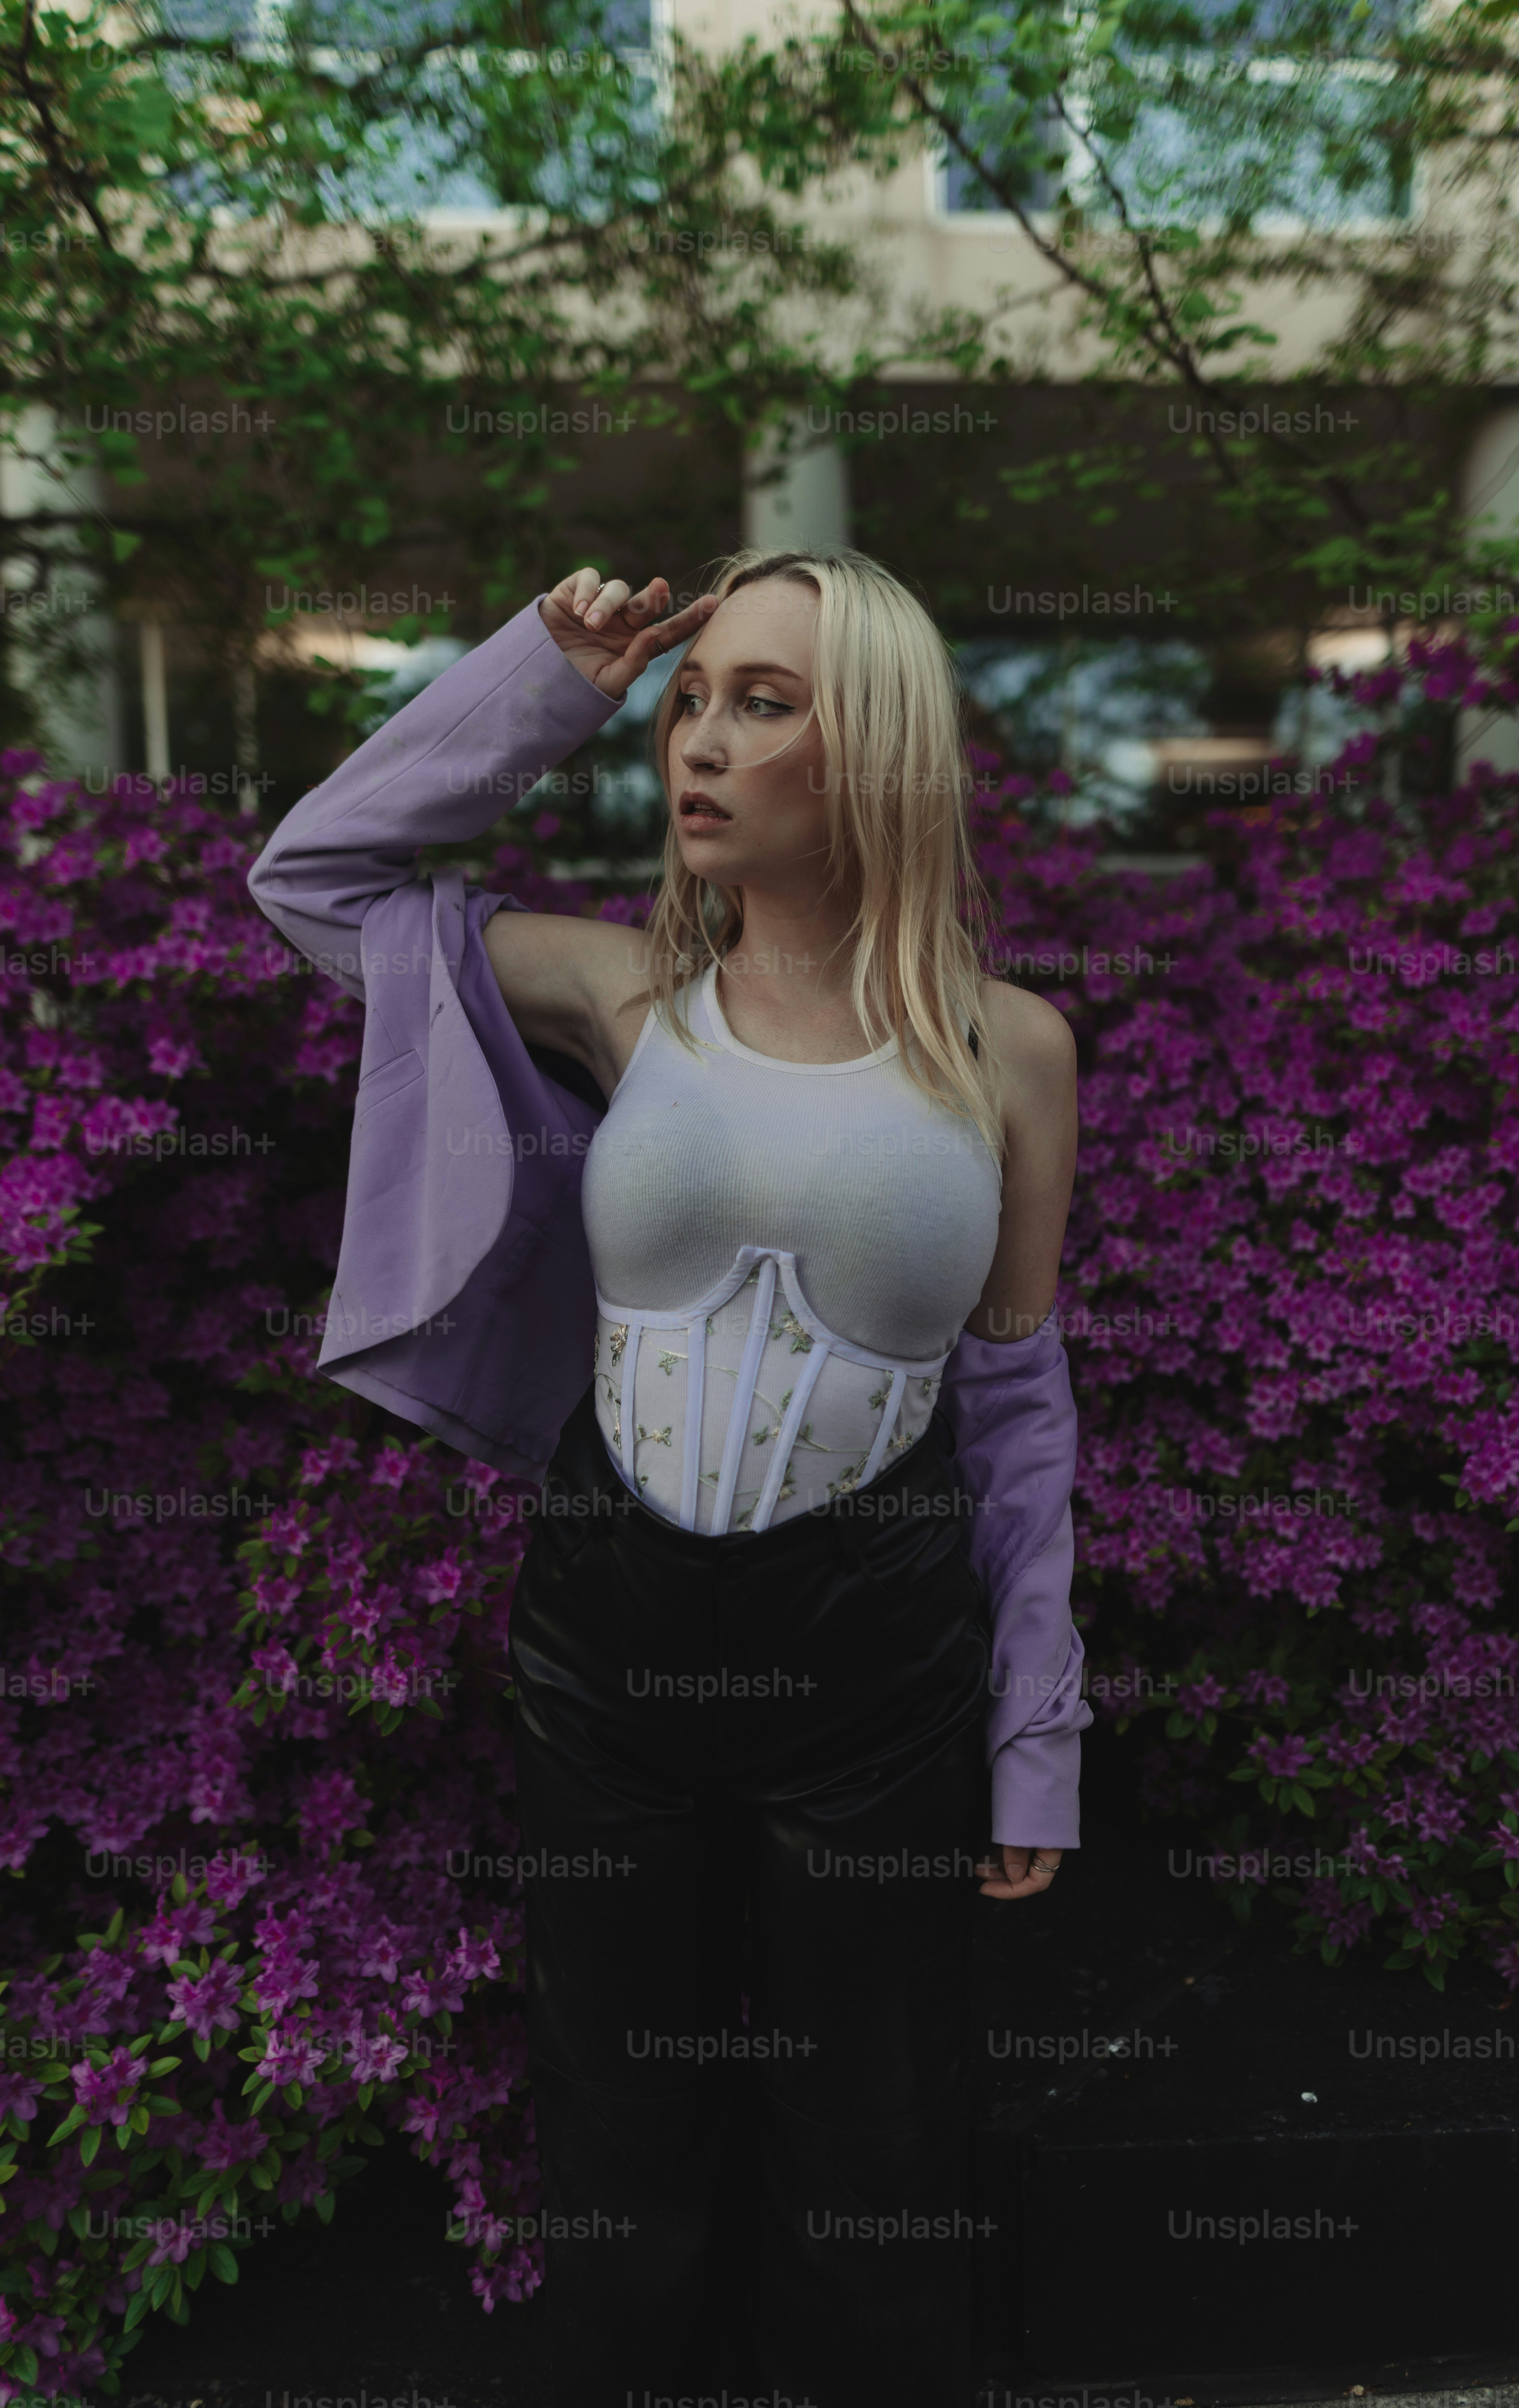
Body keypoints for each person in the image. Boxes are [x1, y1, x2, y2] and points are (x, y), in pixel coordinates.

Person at [247, 548, 1091, 2408]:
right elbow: (312, 881)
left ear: (867, 747)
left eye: (762, 701)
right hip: (612, 1626)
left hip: (874, 1649)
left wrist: (1036, 1727)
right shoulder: (615, 994)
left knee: (872, 2133)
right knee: (617, 2123)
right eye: (694, 702)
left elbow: (1019, 1409)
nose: (700, 743)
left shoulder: (1008, 1049)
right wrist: (555, 678)